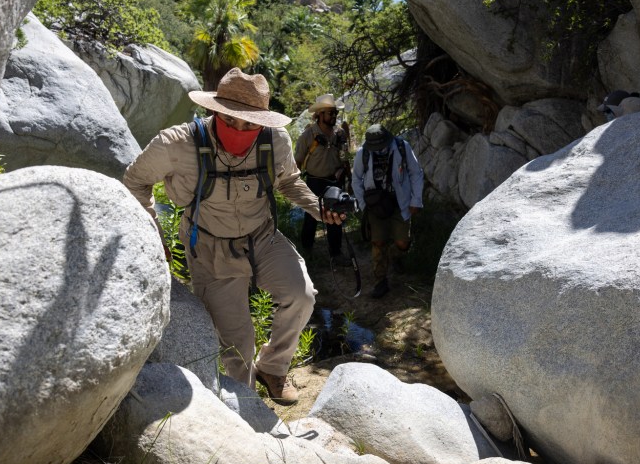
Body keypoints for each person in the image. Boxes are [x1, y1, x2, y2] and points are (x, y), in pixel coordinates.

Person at [122, 68, 344, 404]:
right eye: (231, 120)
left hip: (263, 237)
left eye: (251, 124)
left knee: (302, 296)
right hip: (210, 249)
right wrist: (154, 232)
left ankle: (273, 367)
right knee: (237, 347)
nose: (240, 130)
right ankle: (249, 412)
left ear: (263, 122)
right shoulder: (176, 144)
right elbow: (135, 181)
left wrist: (318, 209)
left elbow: (288, 182)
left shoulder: (276, 141)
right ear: (214, 111)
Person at [351, 124, 424, 299]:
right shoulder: (364, 153)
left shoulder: (401, 147)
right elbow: (356, 179)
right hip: (375, 204)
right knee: (378, 243)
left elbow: (416, 173)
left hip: (400, 202)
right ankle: (380, 281)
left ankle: (395, 257)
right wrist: (363, 206)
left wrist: (416, 200)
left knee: (402, 243)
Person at [294, 93, 350, 258]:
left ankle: (336, 253)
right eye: (330, 112)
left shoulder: (340, 135)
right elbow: (297, 162)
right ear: (319, 114)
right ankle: (306, 251)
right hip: (314, 182)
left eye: (335, 113)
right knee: (311, 216)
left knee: (336, 217)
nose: (334, 116)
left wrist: (348, 176)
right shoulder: (308, 136)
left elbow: (345, 158)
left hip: (335, 182)